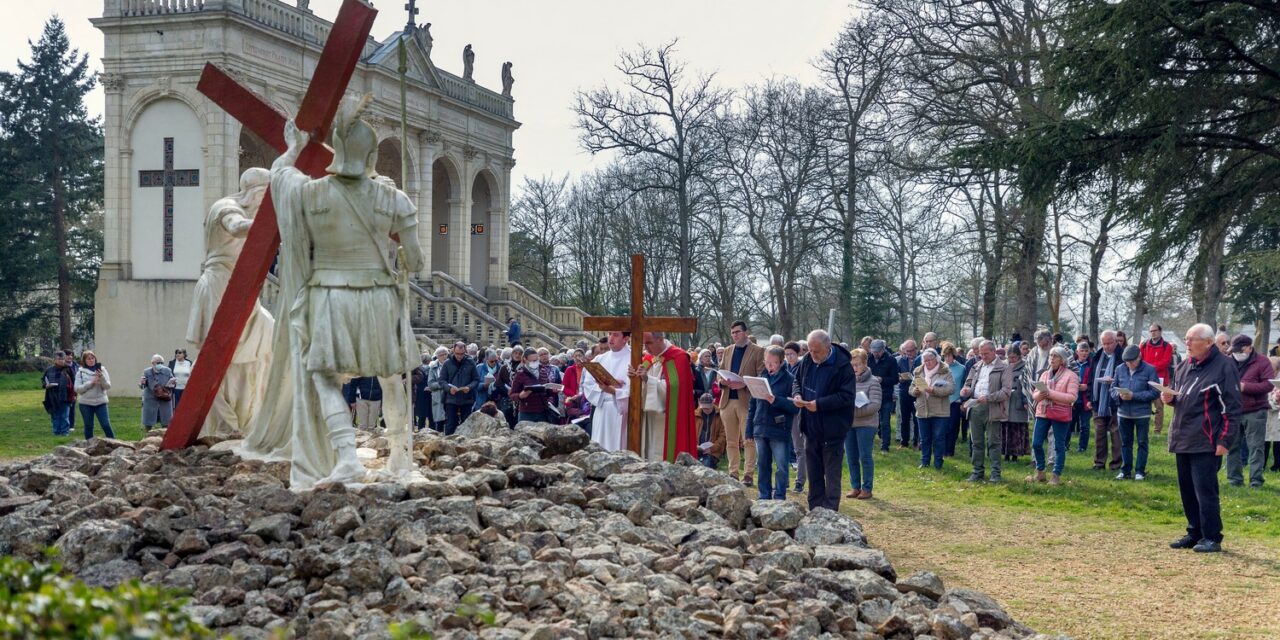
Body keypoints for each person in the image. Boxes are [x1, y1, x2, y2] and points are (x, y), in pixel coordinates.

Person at [268, 105, 421, 488]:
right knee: (391, 379)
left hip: (329, 296)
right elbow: (416, 260)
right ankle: (399, 456)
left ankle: (348, 458)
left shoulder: (309, 193)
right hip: (379, 296)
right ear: (371, 156)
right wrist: (403, 256)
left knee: (324, 378)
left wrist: (292, 149)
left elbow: (280, 177)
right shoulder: (394, 199)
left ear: (336, 152)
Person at [186, 168, 274, 437]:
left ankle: (249, 417)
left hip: (239, 285)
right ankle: (223, 424)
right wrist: (276, 219)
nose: (266, 203)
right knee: (219, 353)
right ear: (256, 192)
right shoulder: (226, 207)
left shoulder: (246, 209)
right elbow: (236, 227)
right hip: (220, 284)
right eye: (267, 197)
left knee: (266, 337)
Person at [1164, 323, 1241, 553]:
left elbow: (1232, 408)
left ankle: (1211, 537)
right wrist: (1169, 398)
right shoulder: (1183, 366)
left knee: (1205, 491)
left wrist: (1225, 440)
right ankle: (1194, 532)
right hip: (1183, 437)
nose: (1187, 343)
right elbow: (1180, 396)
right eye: (1186, 338)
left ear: (1208, 342)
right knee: (1187, 490)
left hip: (1206, 440)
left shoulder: (1224, 366)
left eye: (1193, 339)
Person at [792, 330, 856, 511]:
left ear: (828, 348)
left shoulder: (843, 366)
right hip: (810, 427)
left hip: (832, 429)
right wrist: (797, 394)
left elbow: (846, 396)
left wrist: (819, 404)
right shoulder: (807, 360)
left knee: (831, 474)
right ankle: (815, 509)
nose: (813, 354)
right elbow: (796, 381)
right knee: (814, 473)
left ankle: (830, 512)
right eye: (810, 350)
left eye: (817, 351)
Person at [633, 332, 697, 462]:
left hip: (669, 418)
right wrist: (634, 377)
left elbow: (675, 390)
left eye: (649, 343)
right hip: (649, 417)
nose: (646, 348)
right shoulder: (648, 358)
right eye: (644, 344)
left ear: (661, 339)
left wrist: (647, 379)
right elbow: (638, 387)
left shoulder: (679, 357)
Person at [748, 346, 800, 500]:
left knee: (782, 466)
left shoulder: (790, 379)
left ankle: (779, 496)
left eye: (773, 363)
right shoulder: (760, 377)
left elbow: (795, 407)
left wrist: (776, 400)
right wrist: (749, 430)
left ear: (781, 362)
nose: (769, 366)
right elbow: (752, 406)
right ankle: (764, 495)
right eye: (767, 362)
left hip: (779, 429)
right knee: (763, 465)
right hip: (760, 427)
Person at [719, 320, 765, 485]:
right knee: (731, 441)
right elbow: (720, 372)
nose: (735, 335)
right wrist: (722, 381)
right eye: (732, 332)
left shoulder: (758, 351)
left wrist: (744, 383)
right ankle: (733, 473)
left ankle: (748, 474)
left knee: (748, 440)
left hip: (746, 401)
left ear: (745, 332)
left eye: (737, 332)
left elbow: (762, 375)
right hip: (727, 400)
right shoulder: (727, 350)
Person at [960, 340, 1013, 482]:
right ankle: (977, 472)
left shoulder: (1004, 368)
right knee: (976, 442)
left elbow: (1006, 392)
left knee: (993, 442)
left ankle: (995, 474)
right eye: (981, 354)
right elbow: (968, 383)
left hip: (993, 408)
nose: (983, 357)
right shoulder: (976, 366)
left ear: (994, 352)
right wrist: (966, 390)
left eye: (986, 354)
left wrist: (989, 398)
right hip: (975, 406)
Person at [1027, 346, 1079, 484]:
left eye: (1055, 356)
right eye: (1050, 355)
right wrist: (1040, 394)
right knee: (1036, 443)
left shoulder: (1071, 376)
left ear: (1062, 360)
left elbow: (1072, 397)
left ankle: (1056, 474)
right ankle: (1040, 471)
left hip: (1060, 412)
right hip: (1043, 411)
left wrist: (1050, 394)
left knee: (1059, 445)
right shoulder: (1044, 374)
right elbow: (1035, 395)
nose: (1051, 358)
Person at [1227, 334, 1272, 488]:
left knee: (1256, 447)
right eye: (1234, 351)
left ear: (1249, 348)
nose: (1237, 353)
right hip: (1233, 410)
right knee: (1232, 447)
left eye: (1240, 350)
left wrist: (1245, 387)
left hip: (1256, 410)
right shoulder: (1228, 361)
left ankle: (1256, 481)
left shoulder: (1262, 361)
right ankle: (1234, 480)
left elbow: (1269, 385)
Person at [1111, 345, 1160, 480]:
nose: (1129, 364)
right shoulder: (1119, 369)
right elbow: (1112, 388)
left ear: (1139, 357)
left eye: (1132, 361)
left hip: (1142, 413)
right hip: (1123, 413)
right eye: (1127, 362)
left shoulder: (1150, 370)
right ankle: (1125, 470)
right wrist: (1119, 395)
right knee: (1125, 442)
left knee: (1142, 442)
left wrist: (1134, 396)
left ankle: (1139, 471)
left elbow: (1155, 392)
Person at [581, 331, 632, 451]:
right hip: (601, 410)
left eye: (615, 335)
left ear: (625, 339)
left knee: (618, 448)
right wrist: (606, 387)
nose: (611, 338)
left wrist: (614, 391)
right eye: (609, 334)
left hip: (620, 412)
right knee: (600, 448)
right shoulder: (599, 359)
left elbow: (636, 391)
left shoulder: (633, 358)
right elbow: (587, 384)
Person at [845, 348, 883, 499]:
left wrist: (852, 412)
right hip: (849, 424)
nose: (854, 368)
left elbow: (875, 405)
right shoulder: (847, 381)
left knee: (865, 457)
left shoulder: (873, 382)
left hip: (867, 424)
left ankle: (867, 488)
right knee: (851, 457)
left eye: (857, 365)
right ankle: (855, 487)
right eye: (852, 365)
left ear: (865, 364)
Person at [909, 348, 955, 469]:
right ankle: (925, 462)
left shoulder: (945, 371)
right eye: (925, 360)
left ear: (937, 359)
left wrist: (933, 390)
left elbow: (951, 389)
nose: (927, 362)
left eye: (930, 360)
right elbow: (911, 388)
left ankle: (938, 463)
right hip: (922, 410)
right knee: (924, 439)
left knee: (938, 438)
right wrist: (915, 391)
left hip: (940, 411)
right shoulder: (918, 371)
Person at [1086, 330, 1123, 471]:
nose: (1107, 346)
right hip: (1098, 401)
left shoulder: (1122, 356)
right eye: (1104, 343)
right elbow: (1090, 378)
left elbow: (1126, 378)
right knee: (1099, 433)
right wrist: (1090, 398)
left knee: (1115, 433)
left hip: (1115, 401)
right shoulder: (1097, 356)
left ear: (1116, 342)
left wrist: (1113, 381)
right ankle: (1099, 463)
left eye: (1109, 343)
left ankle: (1116, 463)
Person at [510, 348, 561, 423]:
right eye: (532, 361)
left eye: (536, 360)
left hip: (542, 412)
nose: (535, 363)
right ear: (525, 360)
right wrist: (520, 395)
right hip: (527, 412)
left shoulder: (543, 371)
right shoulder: (520, 374)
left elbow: (545, 391)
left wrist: (553, 391)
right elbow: (512, 395)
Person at [1140, 324, 1175, 434]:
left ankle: (1157, 430)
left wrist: (1149, 368)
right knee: (1144, 404)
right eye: (1151, 331)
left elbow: (1165, 362)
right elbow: (1140, 359)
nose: (1153, 333)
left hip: (1160, 379)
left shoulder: (1167, 346)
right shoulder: (1144, 345)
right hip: (1145, 379)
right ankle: (1143, 427)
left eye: (1155, 330)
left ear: (1160, 331)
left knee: (1159, 406)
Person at [74, 351, 114, 440]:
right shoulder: (80, 372)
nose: (91, 360)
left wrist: (102, 378)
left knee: (105, 424)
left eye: (93, 358)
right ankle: (89, 444)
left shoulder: (102, 370)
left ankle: (114, 443)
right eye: (88, 359)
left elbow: (108, 386)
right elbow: (77, 389)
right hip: (85, 403)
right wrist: (91, 383)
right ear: (84, 360)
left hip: (100, 402)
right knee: (88, 426)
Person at [441, 341, 480, 434]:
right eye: (457, 354)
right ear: (453, 351)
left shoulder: (470, 362)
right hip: (451, 399)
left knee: (466, 425)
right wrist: (449, 389)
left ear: (465, 352)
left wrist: (469, 387)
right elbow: (441, 380)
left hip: (467, 399)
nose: (459, 356)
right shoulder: (447, 363)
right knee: (450, 424)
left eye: (462, 354)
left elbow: (476, 379)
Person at [1002, 344, 1031, 462]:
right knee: (1006, 427)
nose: (1011, 359)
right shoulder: (1004, 366)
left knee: (1016, 427)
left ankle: (1015, 454)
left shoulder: (1025, 367)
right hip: (1006, 401)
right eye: (1009, 357)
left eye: (1014, 357)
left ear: (1019, 356)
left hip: (1018, 400)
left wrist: (1025, 400)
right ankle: (1006, 453)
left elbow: (1027, 385)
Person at [868, 340, 898, 452]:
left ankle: (885, 446)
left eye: (878, 352)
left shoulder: (891, 360)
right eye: (873, 351)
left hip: (885, 395)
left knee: (885, 421)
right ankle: (869, 443)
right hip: (870, 394)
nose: (875, 354)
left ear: (883, 350)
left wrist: (882, 379)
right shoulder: (868, 359)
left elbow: (895, 379)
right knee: (870, 421)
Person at [784, 342, 806, 492]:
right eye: (786, 354)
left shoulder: (803, 367)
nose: (789, 357)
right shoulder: (784, 367)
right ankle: (783, 480)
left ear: (798, 354)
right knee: (783, 446)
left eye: (792, 354)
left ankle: (800, 481)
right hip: (785, 408)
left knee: (799, 447)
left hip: (799, 410)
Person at [41, 351, 75, 437]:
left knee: (65, 415)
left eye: (62, 359)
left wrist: (74, 394)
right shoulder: (49, 370)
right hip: (52, 396)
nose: (61, 361)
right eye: (59, 359)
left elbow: (74, 382)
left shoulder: (68, 369)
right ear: (54, 360)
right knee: (55, 415)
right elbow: (43, 380)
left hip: (65, 395)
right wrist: (46, 385)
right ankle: (56, 432)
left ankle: (65, 432)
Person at [942, 343, 967, 457]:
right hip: (942, 400)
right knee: (943, 426)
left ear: (954, 355)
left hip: (955, 401)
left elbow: (963, 385)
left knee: (953, 427)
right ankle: (943, 450)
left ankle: (950, 451)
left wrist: (963, 400)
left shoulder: (962, 368)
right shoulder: (940, 367)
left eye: (949, 355)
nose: (947, 358)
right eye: (945, 356)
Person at [139, 354, 176, 431]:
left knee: (166, 420)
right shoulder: (147, 371)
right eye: (158, 363)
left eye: (162, 363)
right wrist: (142, 383)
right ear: (152, 363)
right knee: (148, 421)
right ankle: (148, 435)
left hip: (164, 398)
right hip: (150, 399)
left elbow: (173, 382)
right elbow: (142, 385)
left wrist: (173, 383)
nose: (160, 364)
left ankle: (165, 435)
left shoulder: (168, 370)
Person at [1069, 341, 1094, 453]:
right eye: (1082, 351)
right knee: (1069, 424)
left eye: (1086, 351)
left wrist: (1087, 387)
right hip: (1073, 399)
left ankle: (1082, 447)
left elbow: (1094, 382)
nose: (1084, 353)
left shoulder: (1092, 365)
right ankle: (1065, 445)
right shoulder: (1071, 365)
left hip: (1085, 399)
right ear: (1077, 352)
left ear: (1089, 352)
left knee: (1085, 425)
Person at [896, 340, 920, 448]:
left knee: (916, 418)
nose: (909, 353)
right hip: (904, 391)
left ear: (916, 349)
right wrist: (900, 378)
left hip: (917, 392)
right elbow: (897, 374)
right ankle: (904, 442)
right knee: (904, 418)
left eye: (911, 351)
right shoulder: (901, 360)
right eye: (907, 351)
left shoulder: (920, 360)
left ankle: (916, 441)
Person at [696, 392, 727, 468]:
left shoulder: (721, 415)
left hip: (713, 451)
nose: (705, 410)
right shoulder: (695, 415)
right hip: (697, 449)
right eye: (703, 408)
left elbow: (723, 436)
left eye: (708, 408)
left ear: (713, 403)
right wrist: (695, 446)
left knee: (705, 466)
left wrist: (713, 448)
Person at [426, 346, 448, 431]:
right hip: (438, 397)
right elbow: (430, 384)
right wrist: (442, 384)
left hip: (451, 396)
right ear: (438, 356)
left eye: (445, 354)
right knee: (439, 422)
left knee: (450, 421)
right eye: (442, 355)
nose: (444, 356)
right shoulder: (433, 367)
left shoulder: (452, 365)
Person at [411, 353, 433, 432]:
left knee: (421, 415)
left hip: (420, 393)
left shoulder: (417, 369)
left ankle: (421, 430)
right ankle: (431, 430)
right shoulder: (431, 368)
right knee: (431, 414)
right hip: (430, 393)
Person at [1266, 356, 1280, 472]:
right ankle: (1262, 465)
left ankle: (1277, 466)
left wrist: (1272, 403)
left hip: (1277, 416)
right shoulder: (1264, 377)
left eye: (1272, 369)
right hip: (1266, 414)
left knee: (1278, 442)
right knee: (1264, 441)